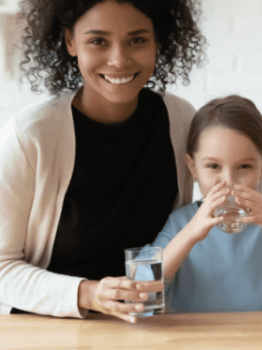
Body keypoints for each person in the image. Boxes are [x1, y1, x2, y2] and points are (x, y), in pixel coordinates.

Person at [0, 0, 205, 322]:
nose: (119, 60)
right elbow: (2, 270)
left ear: (158, 41)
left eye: (137, 40)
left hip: (153, 326)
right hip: (49, 331)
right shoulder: (30, 136)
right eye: (98, 41)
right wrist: (90, 294)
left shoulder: (181, 120)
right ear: (70, 41)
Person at [151, 95, 262, 313]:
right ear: (193, 168)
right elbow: (141, 291)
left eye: (244, 166)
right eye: (213, 166)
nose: (229, 181)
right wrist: (190, 234)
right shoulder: (181, 223)